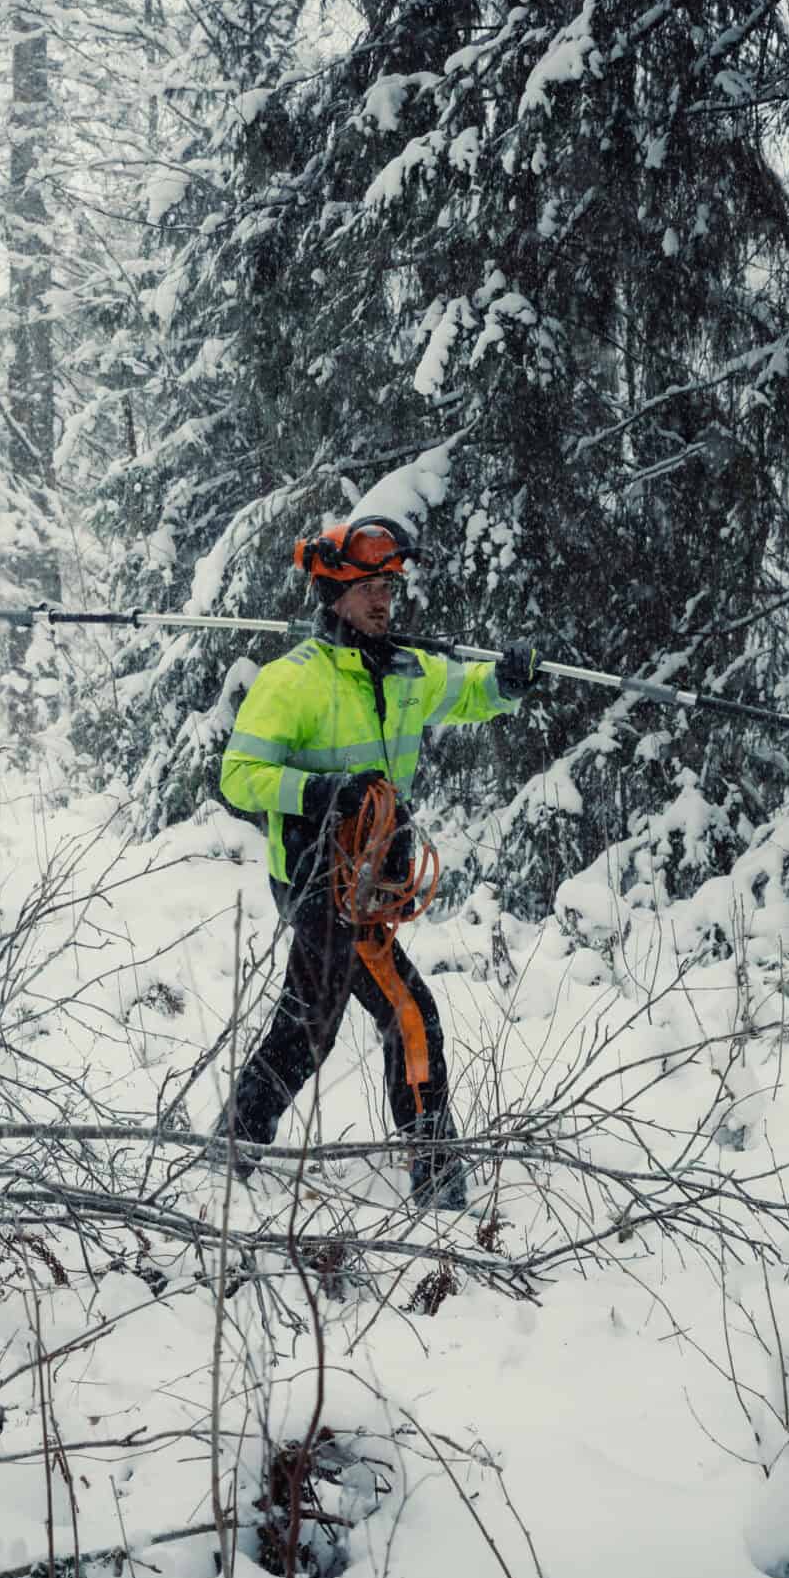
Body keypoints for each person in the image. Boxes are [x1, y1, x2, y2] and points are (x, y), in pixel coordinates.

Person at [216, 515, 537, 1210]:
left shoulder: (408, 672)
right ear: (334, 592)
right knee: (407, 1012)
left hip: (373, 881)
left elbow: (471, 693)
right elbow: (238, 777)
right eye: (368, 588)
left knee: (309, 1024)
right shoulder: (292, 680)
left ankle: (233, 1145)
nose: (384, 600)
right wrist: (321, 790)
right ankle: (436, 1173)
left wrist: (507, 683)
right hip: (313, 877)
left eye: (390, 586)